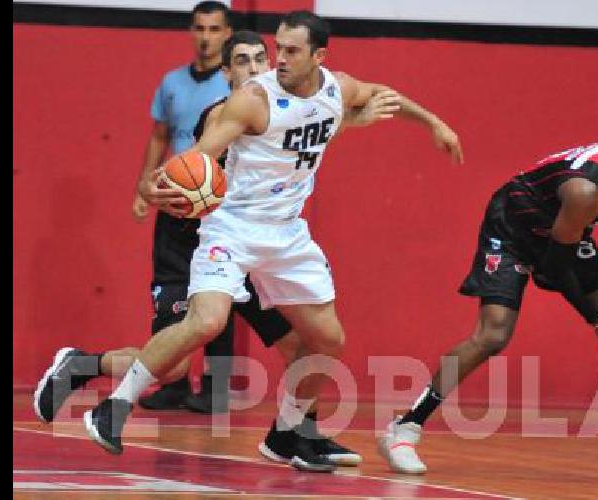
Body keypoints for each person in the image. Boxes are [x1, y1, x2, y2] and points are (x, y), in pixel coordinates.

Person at [35, 22, 413, 471]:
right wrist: (155, 185)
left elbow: (297, 136)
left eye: (261, 58)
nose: (257, 67)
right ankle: (85, 368)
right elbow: (185, 167)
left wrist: (355, 121)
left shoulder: (288, 98)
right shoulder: (226, 113)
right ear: (226, 72)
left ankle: (294, 437)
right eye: (243, 61)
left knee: (307, 343)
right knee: (177, 362)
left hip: (269, 244)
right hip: (199, 236)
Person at [379, 111, 598, 483]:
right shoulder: (588, 189)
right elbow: (554, 269)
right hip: (513, 228)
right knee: (493, 335)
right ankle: (403, 431)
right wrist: (596, 322)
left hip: (562, 231)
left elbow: (563, 251)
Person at [129, 1, 238, 414]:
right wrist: (144, 185)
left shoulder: (234, 88)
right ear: (191, 32)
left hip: (217, 203)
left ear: (227, 34)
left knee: (223, 294)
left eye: (214, 29)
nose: (206, 36)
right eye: (199, 28)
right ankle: (172, 380)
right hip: (176, 199)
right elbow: (160, 136)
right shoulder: (171, 82)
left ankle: (215, 388)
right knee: (170, 290)